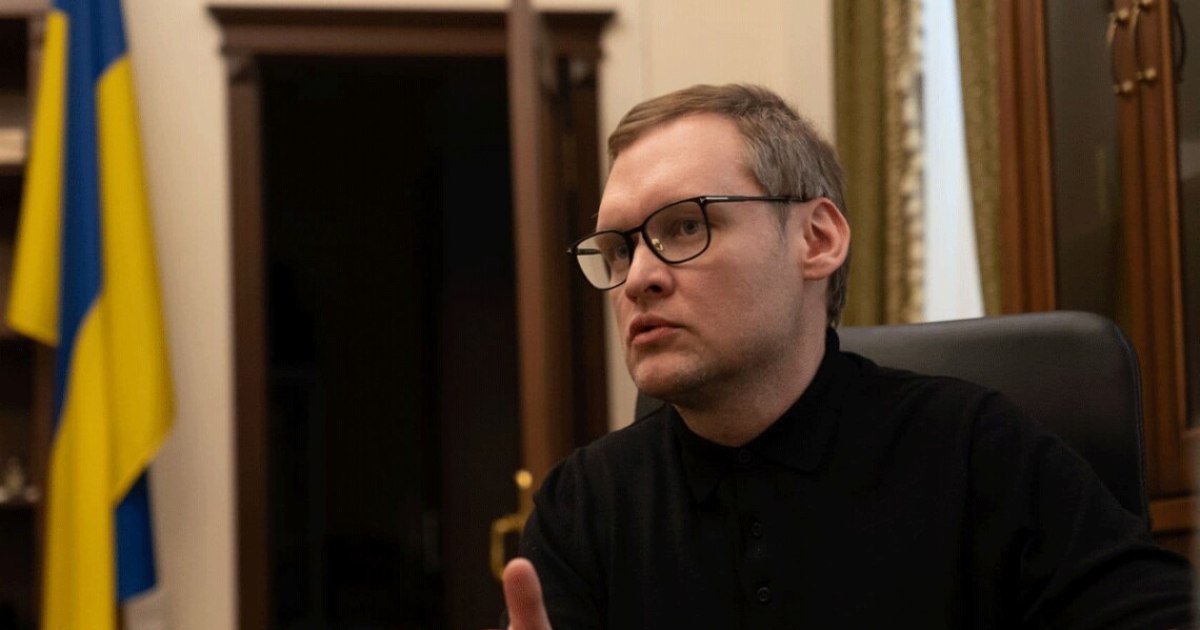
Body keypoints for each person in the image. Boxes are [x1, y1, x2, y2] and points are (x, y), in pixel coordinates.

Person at [492, 84, 1195, 630]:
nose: (638, 278)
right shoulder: (582, 506)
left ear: (817, 239)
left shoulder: (977, 451)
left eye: (684, 226)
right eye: (619, 249)